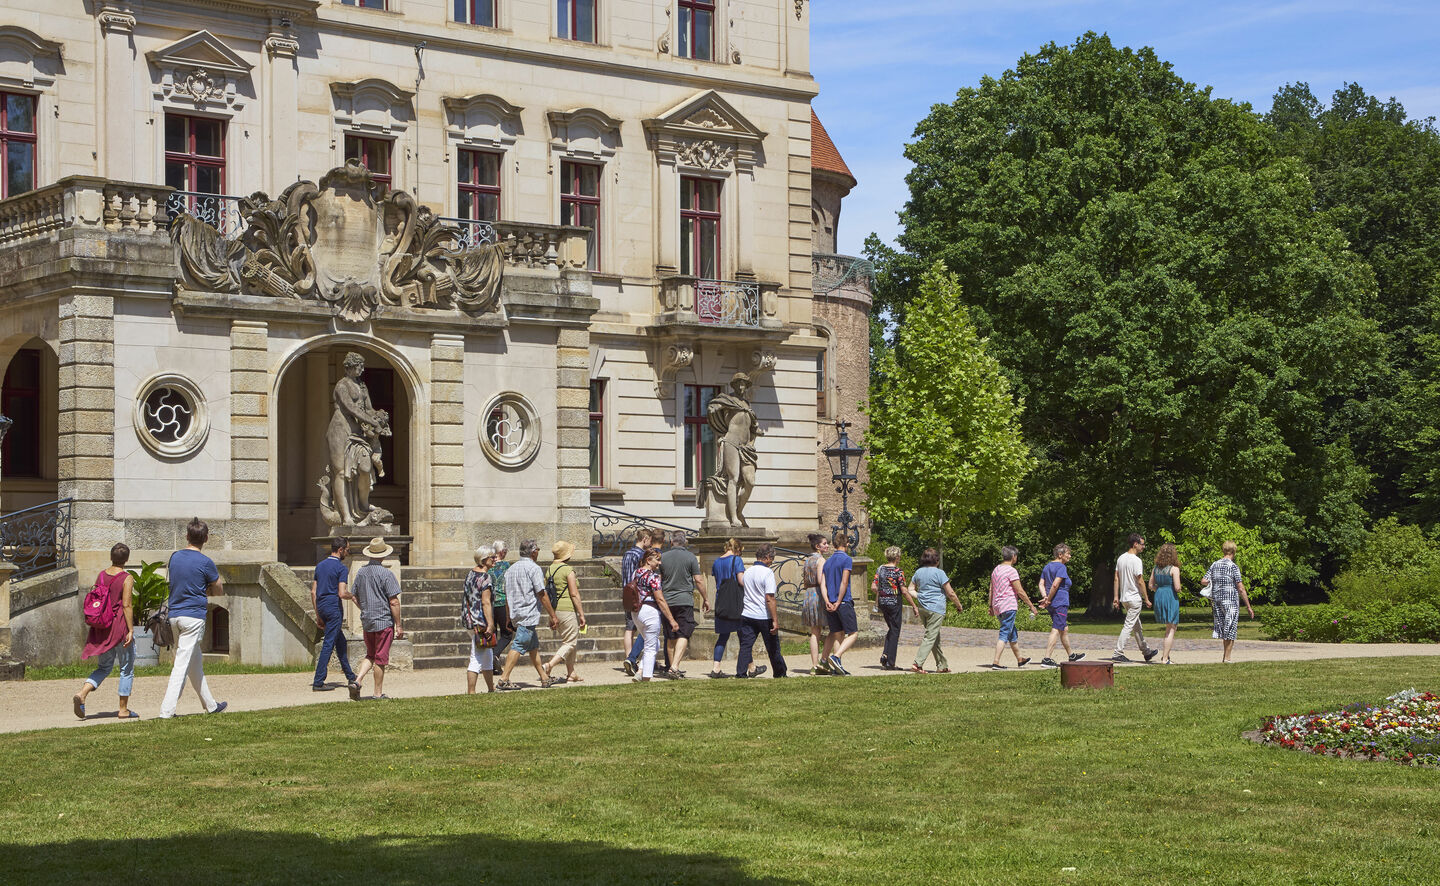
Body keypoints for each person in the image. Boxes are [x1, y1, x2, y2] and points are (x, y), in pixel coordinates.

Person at [159, 518, 227, 718]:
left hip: (174, 615)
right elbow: (218, 589)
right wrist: (206, 589)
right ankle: (166, 711)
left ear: (187, 536)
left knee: (194, 663)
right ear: (206, 538)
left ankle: (211, 705)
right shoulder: (206, 562)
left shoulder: (174, 557)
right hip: (193, 617)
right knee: (181, 665)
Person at [73, 543, 138, 721]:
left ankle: (82, 693)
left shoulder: (101, 575)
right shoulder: (126, 578)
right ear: (126, 559)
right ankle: (123, 710)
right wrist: (131, 629)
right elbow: (126, 605)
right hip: (119, 627)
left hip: (103, 627)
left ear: (111, 557)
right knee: (126, 668)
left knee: (103, 667)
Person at [497, 539, 559, 690]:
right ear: (533, 552)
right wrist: (553, 615)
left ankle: (544, 678)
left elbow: (507, 596)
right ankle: (503, 679)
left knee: (533, 647)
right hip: (528, 613)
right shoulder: (534, 568)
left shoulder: (511, 569)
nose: (538, 552)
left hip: (517, 613)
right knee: (519, 645)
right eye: (537, 549)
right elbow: (542, 593)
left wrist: (508, 617)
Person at [350, 538, 404, 699]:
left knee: (370, 654)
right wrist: (399, 625)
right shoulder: (386, 574)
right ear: (383, 555)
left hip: (367, 620)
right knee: (380, 658)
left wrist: (365, 609)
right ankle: (377, 693)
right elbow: (394, 601)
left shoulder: (361, 573)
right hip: (383, 621)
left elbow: (354, 596)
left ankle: (357, 681)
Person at [311, 537, 358, 694]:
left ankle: (350, 676)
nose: (347, 553)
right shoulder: (341, 568)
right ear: (340, 550)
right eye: (347, 550)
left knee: (340, 642)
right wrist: (353, 596)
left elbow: (313, 592)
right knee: (329, 644)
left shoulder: (320, 566)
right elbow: (342, 593)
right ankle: (318, 681)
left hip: (322, 606)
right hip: (333, 608)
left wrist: (318, 615)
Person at [710, 538, 762, 678]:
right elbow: (741, 580)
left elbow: (718, 581)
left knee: (723, 636)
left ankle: (716, 668)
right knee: (744, 636)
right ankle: (751, 668)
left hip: (721, 601)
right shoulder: (737, 560)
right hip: (736, 602)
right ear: (737, 549)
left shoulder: (716, 561)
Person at [659, 530, 708, 678]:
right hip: (684, 600)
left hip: (667, 601)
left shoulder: (663, 557)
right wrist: (705, 598)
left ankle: (671, 667)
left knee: (670, 635)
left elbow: (658, 580)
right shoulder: (691, 557)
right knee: (684, 633)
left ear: (671, 542)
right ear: (685, 542)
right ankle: (674, 667)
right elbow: (698, 580)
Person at [905, 548, 961, 673]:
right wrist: (958, 605)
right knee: (930, 637)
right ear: (936, 560)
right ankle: (917, 664)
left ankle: (942, 665)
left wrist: (920, 596)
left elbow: (910, 589)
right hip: (936, 609)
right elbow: (950, 593)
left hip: (923, 608)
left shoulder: (918, 572)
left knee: (934, 637)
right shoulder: (940, 573)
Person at [736, 544, 787, 678]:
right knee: (773, 646)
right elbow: (769, 598)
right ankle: (780, 672)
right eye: (772, 559)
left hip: (747, 613)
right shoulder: (767, 573)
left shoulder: (748, 572)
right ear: (767, 557)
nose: (772, 562)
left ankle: (741, 673)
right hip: (763, 615)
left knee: (746, 646)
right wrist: (775, 620)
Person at [1201, 541, 1254, 663]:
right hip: (1230, 600)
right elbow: (1240, 587)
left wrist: (1216, 582)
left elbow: (1204, 581)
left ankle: (1225, 657)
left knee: (1224, 627)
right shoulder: (1233, 566)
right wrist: (1248, 606)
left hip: (1217, 600)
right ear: (1234, 551)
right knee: (1231, 628)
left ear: (1223, 551)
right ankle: (1227, 658)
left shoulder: (1215, 564)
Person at [542, 541, 588, 685]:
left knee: (569, 641)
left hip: (555, 609)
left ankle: (571, 673)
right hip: (567, 609)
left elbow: (547, 593)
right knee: (570, 642)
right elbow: (574, 594)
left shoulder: (549, 569)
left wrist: (551, 615)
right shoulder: (568, 570)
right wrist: (581, 614)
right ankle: (549, 665)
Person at [632, 548, 679, 682]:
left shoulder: (636, 573)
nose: (660, 563)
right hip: (650, 611)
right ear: (648, 560)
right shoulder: (653, 577)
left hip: (636, 612)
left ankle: (640, 671)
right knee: (651, 648)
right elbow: (660, 599)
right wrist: (672, 620)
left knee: (654, 642)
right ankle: (646, 678)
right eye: (657, 560)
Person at [988, 545, 1039, 670]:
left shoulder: (996, 570)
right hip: (1008, 605)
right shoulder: (1011, 571)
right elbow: (1019, 591)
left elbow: (991, 589)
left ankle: (1020, 659)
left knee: (1012, 633)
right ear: (1013, 557)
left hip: (998, 606)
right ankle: (996, 662)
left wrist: (990, 606)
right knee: (1005, 633)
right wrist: (1031, 605)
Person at [1111, 533, 1159, 663]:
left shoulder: (1121, 558)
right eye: (1142, 544)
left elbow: (1116, 578)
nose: (1144, 547)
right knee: (1128, 626)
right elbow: (1140, 581)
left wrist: (1116, 597)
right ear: (1135, 544)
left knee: (1136, 626)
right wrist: (1146, 598)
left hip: (1125, 598)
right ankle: (1118, 652)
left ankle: (1146, 652)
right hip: (1134, 598)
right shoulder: (1136, 561)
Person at [1037, 543, 1084, 668]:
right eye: (1068, 553)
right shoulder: (1061, 567)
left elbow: (1041, 584)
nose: (1070, 556)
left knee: (1064, 628)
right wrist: (1048, 599)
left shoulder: (1047, 567)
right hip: (1059, 602)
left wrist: (1045, 597)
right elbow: (1055, 585)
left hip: (1052, 603)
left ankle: (1071, 655)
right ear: (1060, 555)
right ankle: (1047, 659)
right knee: (1057, 628)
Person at [820, 533, 858, 675]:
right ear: (846, 544)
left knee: (838, 634)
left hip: (830, 602)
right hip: (843, 601)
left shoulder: (827, 561)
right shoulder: (847, 559)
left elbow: (823, 584)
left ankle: (837, 667)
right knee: (853, 633)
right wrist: (838, 601)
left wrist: (827, 601)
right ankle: (836, 657)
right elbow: (844, 582)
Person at [462, 545, 498, 694]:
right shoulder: (485, 577)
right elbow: (486, 602)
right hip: (480, 621)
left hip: (469, 619)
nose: (495, 559)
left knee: (487, 655)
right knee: (476, 658)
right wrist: (490, 624)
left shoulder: (471, 573)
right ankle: (471, 692)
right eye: (492, 557)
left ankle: (491, 688)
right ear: (484, 560)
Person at [620, 528, 651, 676]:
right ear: (645, 539)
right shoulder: (641, 555)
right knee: (644, 627)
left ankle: (628, 657)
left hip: (626, 593)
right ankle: (633, 658)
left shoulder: (627, 553)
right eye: (649, 541)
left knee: (629, 628)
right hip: (638, 595)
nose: (650, 544)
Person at [871, 546, 906, 669]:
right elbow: (903, 590)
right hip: (894, 602)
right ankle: (890, 662)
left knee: (891, 628)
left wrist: (883, 592)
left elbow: (873, 587)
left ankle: (885, 655)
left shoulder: (880, 569)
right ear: (897, 557)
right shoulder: (898, 571)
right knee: (895, 630)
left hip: (883, 602)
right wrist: (914, 605)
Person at [800, 533, 829, 674]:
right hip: (818, 593)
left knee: (814, 631)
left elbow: (805, 580)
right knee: (819, 630)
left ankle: (815, 664)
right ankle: (820, 663)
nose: (827, 546)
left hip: (809, 594)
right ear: (817, 546)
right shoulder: (820, 560)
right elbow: (820, 579)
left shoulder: (807, 560)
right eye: (824, 544)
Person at [1150, 542, 1182, 664]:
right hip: (1170, 596)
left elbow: (1151, 585)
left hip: (1159, 595)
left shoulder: (1156, 569)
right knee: (1171, 627)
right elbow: (1177, 587)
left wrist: (1159, 589)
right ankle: (1165, 658)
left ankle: (1166, 656)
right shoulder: (1174, 569)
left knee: (1168, 627)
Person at [488, 540, 515, 677]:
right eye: (505, 550)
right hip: (503, 603)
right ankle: (495, 654)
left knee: (493, 634)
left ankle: (491, 664)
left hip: (490, 604)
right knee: (507, 634)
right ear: (501, 551)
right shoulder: (506, 565)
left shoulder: (489, 566)